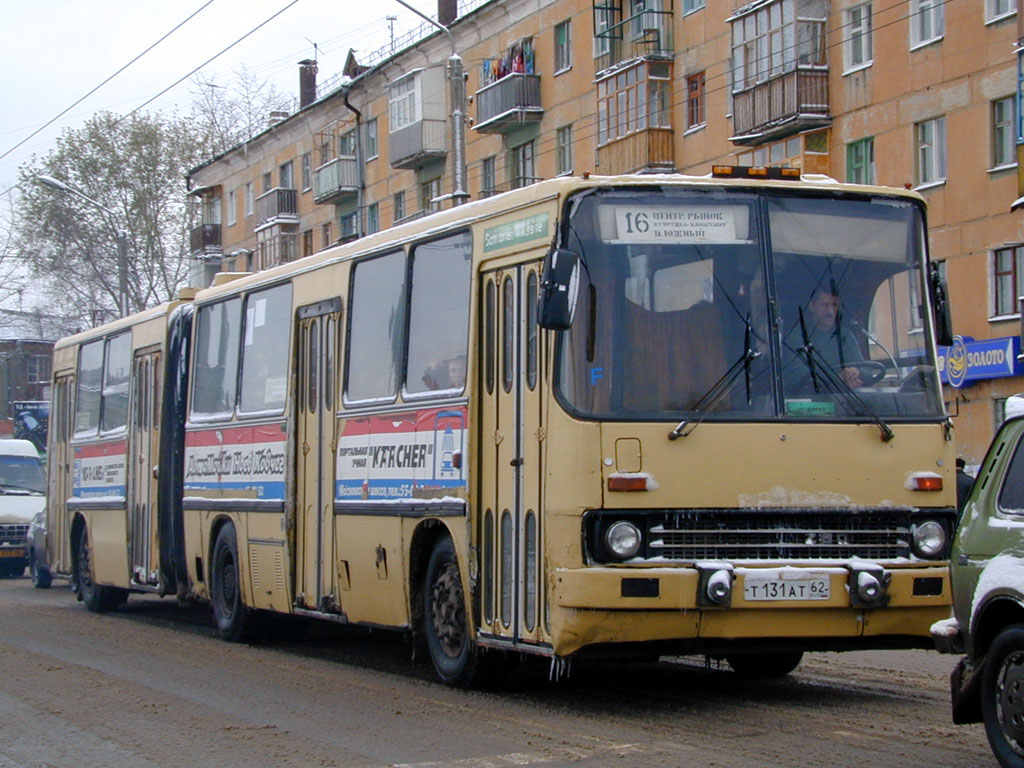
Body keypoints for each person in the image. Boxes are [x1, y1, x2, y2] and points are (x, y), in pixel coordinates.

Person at [801, 286, 864, 387]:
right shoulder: (798, 337)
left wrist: (855, 372)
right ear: (811, 307)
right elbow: (800, 377)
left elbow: (867, 370)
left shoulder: (845, 336)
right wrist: (838, 378)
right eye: (824, 305)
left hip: (850, 400)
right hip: (813, 400)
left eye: (834, 305)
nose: (830, 312)